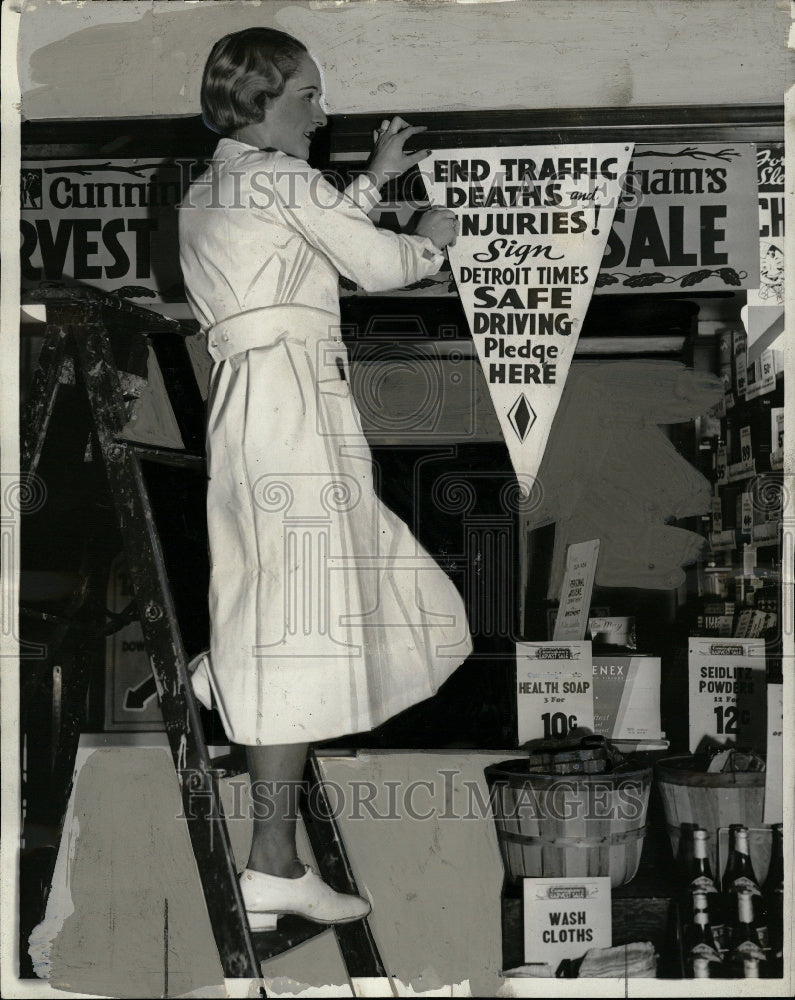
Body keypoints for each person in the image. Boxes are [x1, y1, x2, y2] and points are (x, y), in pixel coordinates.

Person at [178, 27, 472, 931]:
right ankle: (270, 859)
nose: (324, 109)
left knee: (325, 601)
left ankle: (228, 678)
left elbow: (299, 238)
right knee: (308, 620)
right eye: (309, 94)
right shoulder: (279, 179)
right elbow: (372, 262)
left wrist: (374, 180)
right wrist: (430, 240)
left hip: (259, 405)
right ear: (262, 100)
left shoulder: (215, 186)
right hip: (294, 407)